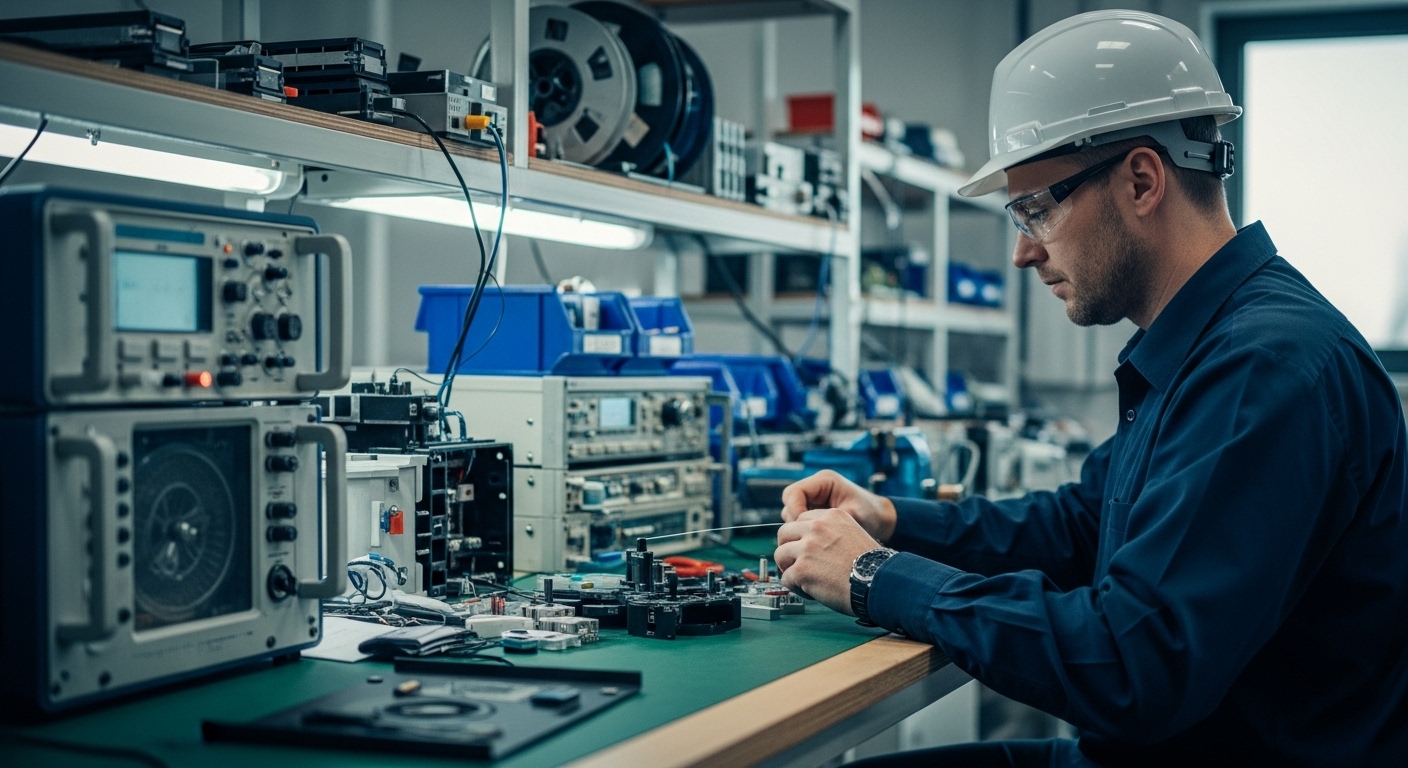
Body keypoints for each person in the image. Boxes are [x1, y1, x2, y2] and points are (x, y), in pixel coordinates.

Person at [774, 10, 1408, 767]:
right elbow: (1083, 525)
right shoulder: (1205, 345)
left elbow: (1135, 667)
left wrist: (875, 575)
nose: (1022, 250)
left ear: (1142, 180)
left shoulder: (1264, 368)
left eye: (1037, 208)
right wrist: (890, 521)